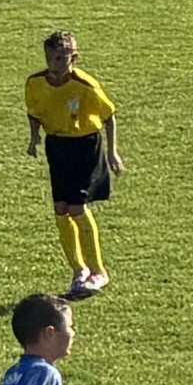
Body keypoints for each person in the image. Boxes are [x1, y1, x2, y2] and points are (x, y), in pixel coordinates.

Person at [22, 31, 124, 301]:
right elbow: (34, 113)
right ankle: (79, 271)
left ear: (73, 58)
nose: (54, 65)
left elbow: (109, 116)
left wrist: (112, 153)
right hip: (57, 147)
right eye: (50, 58)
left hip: (84, 147)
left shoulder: (85, 85)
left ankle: (98, 271)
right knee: (61, 211)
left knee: (78, 208)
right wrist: (34, 138)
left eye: (59, 58)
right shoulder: (35, 83)